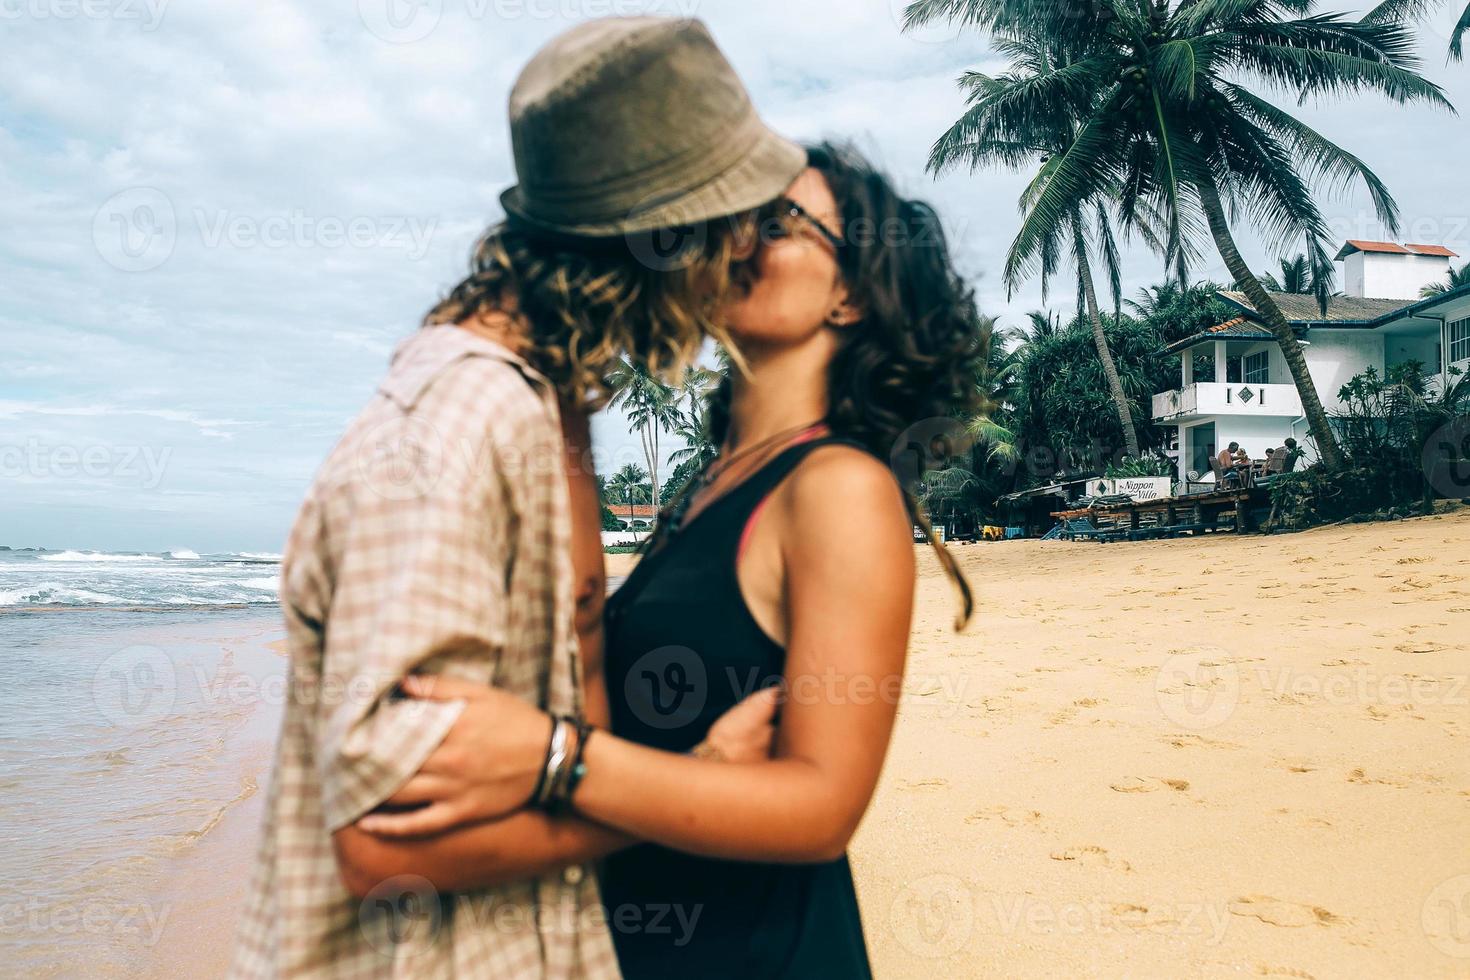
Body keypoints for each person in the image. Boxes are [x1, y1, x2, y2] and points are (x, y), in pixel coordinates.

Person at [230, 17, 806, 979]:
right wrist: (686, 788)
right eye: (734, 213)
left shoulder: (551, 402)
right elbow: (380, 843)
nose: (750, 246)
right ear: (659, 236)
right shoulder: (454, 429)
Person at [350, 142, 986, 978]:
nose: (741, 239)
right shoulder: (713, 485)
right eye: (738, 219)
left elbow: (822, 807)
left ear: (851, 295)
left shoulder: (840, 487)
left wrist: (555, 758)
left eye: (781, 222)